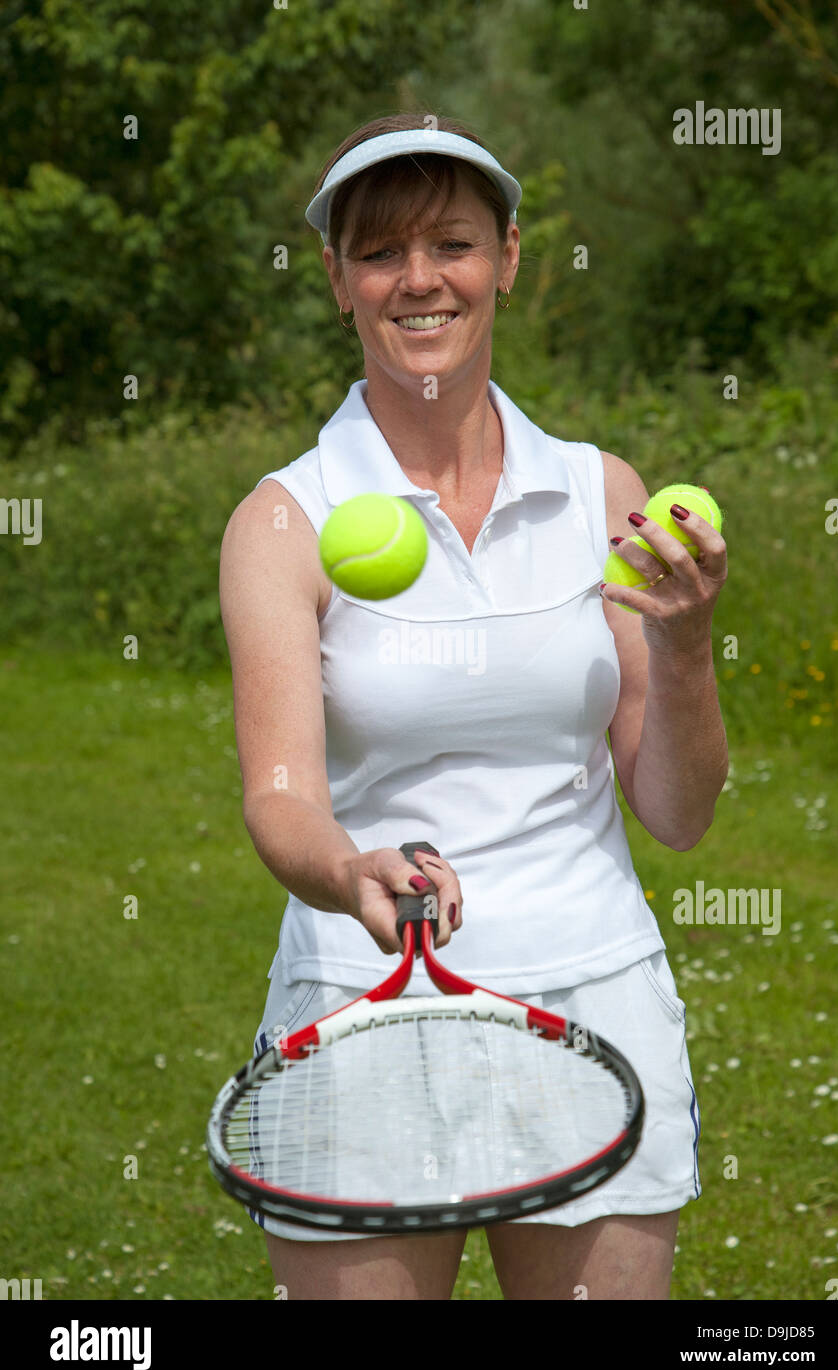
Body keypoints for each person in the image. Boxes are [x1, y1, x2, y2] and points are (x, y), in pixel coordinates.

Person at [218, 113, 728, 1301]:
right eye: (380, 251)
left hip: (589, 1004)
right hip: (366, 1006)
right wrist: (346, 874)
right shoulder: (284, 520)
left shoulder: (599, 491)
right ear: (339, 282)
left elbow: (680, 813)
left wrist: (689, 644)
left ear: (505, 254)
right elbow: (281, 793)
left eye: (449, 241)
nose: (418, 278)